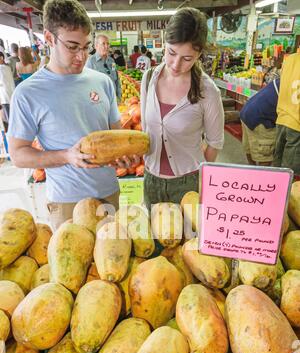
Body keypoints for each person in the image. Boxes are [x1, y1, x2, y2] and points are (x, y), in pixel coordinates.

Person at [7, 0, 138, 231]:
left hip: (109, 194)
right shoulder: (28, 93)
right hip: (67, 201)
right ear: (49, 38)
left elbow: (116, 136)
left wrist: (125, 156)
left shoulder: (102, 82)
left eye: (86, 46)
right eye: (72, 46)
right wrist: (67, 156)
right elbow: (18, 155)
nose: (81, 56)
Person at [140, 7, 224, 209]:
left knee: (188, 240)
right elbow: (146, 130)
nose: (176, 64)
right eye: (171, 53)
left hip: (187, 186)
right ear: (165, 43)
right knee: (152, 240)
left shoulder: (207, 91)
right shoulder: (149, 79)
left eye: (187, 58)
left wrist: (195, 175)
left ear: (199, 55)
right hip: (151, 180)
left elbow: (214, 143)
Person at [240, 78, 280, 166]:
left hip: (247, 111)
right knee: (265, 155)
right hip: (261, 119)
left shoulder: (282, 79)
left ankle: (252, 171)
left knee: (249, 147)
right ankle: (262, 176)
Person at [273, 53, 300, 178]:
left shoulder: (289, 60)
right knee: (290, 173)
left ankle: (273, 192)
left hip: (282, 118)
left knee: (277, 165)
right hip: (296, 123)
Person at [86, 34, 121, 101]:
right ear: (96, 46)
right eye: (103, 44)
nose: (106, 46)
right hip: (99, 102)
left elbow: (117, 80)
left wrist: (119, 96)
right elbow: (87, 85)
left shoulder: (112, 61)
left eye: (108, 44)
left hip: (113, 100)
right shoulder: (90, 62)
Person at [0, 52, 15, 129]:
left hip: (5, 96)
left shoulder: (2, 68)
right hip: (11, 94)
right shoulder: (7, 67)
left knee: (9, 118)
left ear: (1, 58)